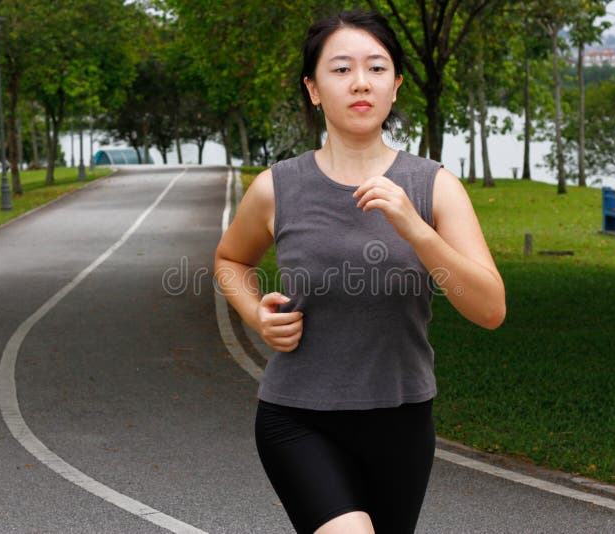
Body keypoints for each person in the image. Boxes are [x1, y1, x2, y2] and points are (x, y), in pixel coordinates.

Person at [213, 9, 505, 534]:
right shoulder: (276, 188)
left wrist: (414, 227)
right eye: (341, 69)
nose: (360, 82)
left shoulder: (434, 186)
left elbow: (488, 309)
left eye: (376, 68)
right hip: (297, 418)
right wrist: (257, 315)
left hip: (402, 420)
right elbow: (231, 261)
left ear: (395, 86)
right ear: (314, 89)